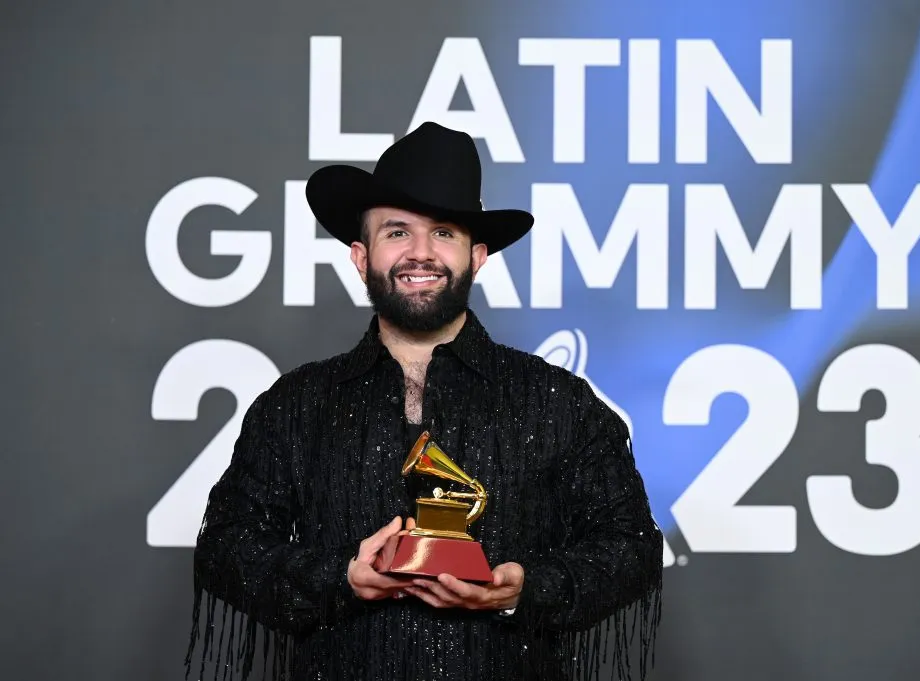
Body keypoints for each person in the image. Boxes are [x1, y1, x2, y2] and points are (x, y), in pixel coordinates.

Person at [185, 122, 663, 681]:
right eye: (397, 232)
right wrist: (339, 578)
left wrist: (525, 589)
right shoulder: (294, 405)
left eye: (442, 232)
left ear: (476, 257)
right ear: (361, 257)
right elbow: (225, 547)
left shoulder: (559, 402)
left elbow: (632, 547)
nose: (420, 253)